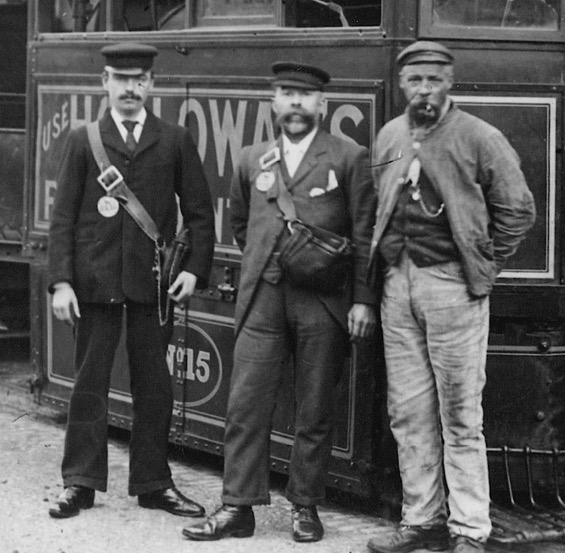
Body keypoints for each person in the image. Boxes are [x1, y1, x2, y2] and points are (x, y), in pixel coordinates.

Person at [182, 61, 377, 543]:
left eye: (304, 95)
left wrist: (362, 301)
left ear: (321, 104)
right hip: (263, 298)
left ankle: (305, 506)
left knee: (313, 409)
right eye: (286, 93)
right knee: (245, 405)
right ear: (274, 101)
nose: (295, 103)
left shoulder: (349, 157)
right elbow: (244, 225)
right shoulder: (252, 158)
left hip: (323, 301)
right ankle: (237, 507)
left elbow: (367, 235)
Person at [366, 41, 536, 553]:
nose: (424, 90)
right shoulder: (390, 135)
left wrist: (480, 266)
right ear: (402, 85)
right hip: (397, 286)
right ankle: (422, 519)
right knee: (409, 412)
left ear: (450, 83)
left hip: (452, 289)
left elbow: (519, 210)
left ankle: (469, 530)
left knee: (461, 416)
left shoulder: (480, 137)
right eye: (415, 80)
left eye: (434, 80)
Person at [47, 42, 215, 519]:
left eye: (139, 79)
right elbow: (62, 221)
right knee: (88, 385)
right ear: (105, 83)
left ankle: (153, 483)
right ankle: (79, 482)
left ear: (152, 85)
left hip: (152, 285)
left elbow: (200, 215)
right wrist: (61, 282)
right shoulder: (85, 141)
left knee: (155, 386)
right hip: (95, 285)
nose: (130, 88)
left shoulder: (175, 140)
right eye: (121, 79)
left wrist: (192, 269)